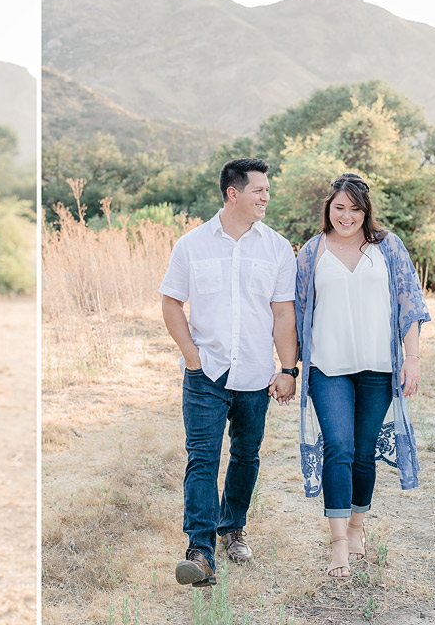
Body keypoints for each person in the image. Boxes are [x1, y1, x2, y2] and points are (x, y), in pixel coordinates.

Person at [159, 158, 298, 588]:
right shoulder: (191, 245)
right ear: (233, 193)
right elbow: (170, 303)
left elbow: (282, 315)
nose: (266, 197)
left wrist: (288, 369)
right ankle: (200, 552)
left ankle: (232, 527)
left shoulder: (277, 248)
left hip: (257, 374)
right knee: (202, 458)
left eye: (267, 190)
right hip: (206, 373)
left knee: (245, 455)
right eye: (258, 190)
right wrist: (192, 356)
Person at [295, 172, 429, 578]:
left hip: (378, 366)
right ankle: (337, 543)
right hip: (328, 367)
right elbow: (296, 312)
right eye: (339, 208)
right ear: (328, 209)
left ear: (366, 210)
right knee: (338, 446)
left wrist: (413, 357)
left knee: (363, 450)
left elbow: (409, 302)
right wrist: (288, 367)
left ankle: (356, 528)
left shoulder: (387, 247)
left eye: (355, 208)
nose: (347, 216)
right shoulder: (311, 252)